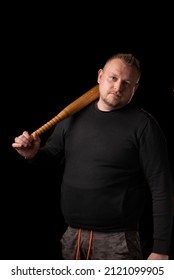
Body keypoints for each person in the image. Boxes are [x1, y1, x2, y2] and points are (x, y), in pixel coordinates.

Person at [12, 53, 174, 260]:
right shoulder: (72, 117)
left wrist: (161, 249)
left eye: (127, 83)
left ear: (135, 88)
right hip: (72, 236)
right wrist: (33, 154)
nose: (118, 87)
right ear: (100, 76)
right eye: (113, 78)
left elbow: (162, 187)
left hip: (118, 241)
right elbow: (50, 157)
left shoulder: (144, 126)